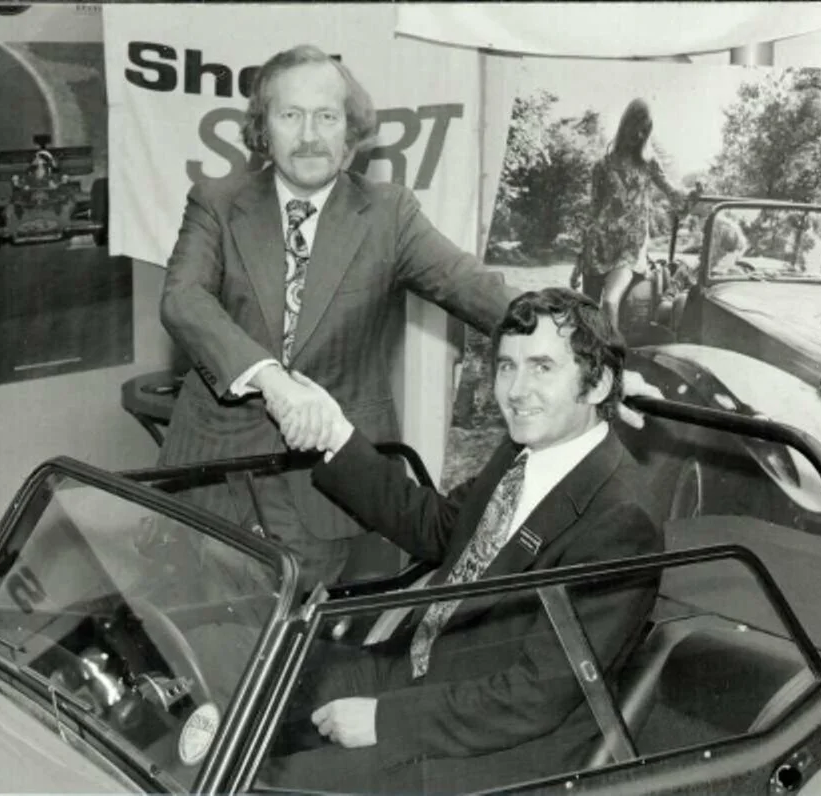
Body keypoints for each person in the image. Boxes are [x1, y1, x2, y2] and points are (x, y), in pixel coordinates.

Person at [259, 287, 663, 794]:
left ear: (598, 383)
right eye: (507, 366)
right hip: (425, 670)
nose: (516, 391)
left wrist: (386, 719)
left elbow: (535, 696)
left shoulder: (621, 521)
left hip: (498, 746)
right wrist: (335, 435)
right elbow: (437, 527)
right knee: (254, 685)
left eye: (542, 368)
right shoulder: (522, 450)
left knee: (277, 785)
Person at [157, 44, 516, 590]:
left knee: (294, 629)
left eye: (327, 116)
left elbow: (476, 288)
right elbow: (183, 299)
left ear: (351, 130)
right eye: (290, 115)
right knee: (184, 620)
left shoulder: (389, 213)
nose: (309, 135)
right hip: (211, 469)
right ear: (263, 128)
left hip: (319, 482)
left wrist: (590, 349)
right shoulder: (216, 201)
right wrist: (272, 381)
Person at [573, 99, 701, 333]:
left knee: (610, 302)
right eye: (636, 128)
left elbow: (675, 197)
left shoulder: (649, 164)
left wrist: (692, 195)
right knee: (587, 313)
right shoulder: (602, 166)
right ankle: (591, 352)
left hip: (629, 249)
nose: (639, 134)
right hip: (598, 245)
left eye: (645, 130)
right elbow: (593, 211)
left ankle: (613, 354)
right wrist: (579, 259)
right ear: (625, 125)